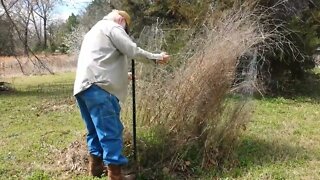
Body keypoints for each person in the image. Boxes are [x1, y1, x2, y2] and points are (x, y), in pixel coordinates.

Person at [73, 10, 169, 180]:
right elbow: (132, 50)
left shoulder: (94, 31)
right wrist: (156, 58)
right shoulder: (113, 27)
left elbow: (101, 60)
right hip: (100, 88)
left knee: (94, 130)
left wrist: (125, 76)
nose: (125, 31)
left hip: (83, 88)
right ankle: (115, 175)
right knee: (111, 131)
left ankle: (96, 168)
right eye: (126, 28)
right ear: (121, 20)